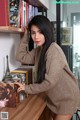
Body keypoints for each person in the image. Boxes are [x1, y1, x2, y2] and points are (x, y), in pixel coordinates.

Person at [15, 15, 80, 120]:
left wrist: (27, 88)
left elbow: (50, 82)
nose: (36, 37)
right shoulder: (39, 50)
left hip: (66, 98)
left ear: (47, 31)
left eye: (40, 32)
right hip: (54, 97)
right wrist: (26, 35)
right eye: (33, 33)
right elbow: (20, 56)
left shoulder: (53, 50)